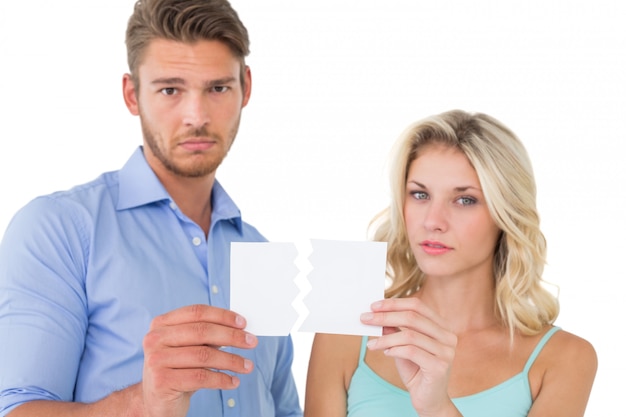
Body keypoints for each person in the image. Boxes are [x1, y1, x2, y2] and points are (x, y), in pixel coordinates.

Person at [0, 1, 302, 416]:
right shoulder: (59, 229)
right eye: (170, 89)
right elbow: (16, 410)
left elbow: (283, 409)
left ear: (245, 88)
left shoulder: (261, 251)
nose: (196, 116)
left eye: (217, 88)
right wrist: (144, 402)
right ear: (132, 94)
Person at [304, 110, 597, 417]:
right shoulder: (344, 333)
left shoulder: (565, 359)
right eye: (419, 194)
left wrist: (437, 407)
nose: (433, 221)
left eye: (465, 200)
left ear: (505, 213)